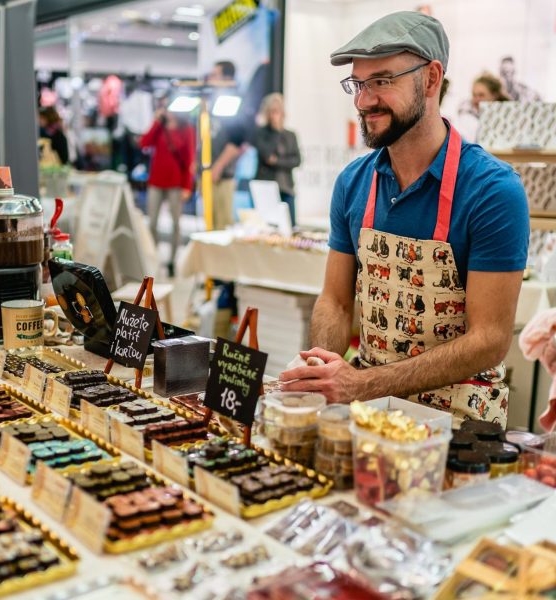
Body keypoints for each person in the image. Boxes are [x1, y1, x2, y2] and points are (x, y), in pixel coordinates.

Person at [279, 11, 529, 427]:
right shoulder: (353, 183)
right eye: (359, 84)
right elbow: (337, 301)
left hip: (461, 423)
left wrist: (362, 384)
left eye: (383, 80)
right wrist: (324, 362)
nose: (364, 100)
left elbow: (489, 340)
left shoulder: (492, 191)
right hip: (370, 412)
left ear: (431, 79)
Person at [139, 107, 196, 276]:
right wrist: (156, 122)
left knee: (176, 223)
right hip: (156, 180)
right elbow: (144, 143)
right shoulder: (160, 128)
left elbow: (189, 158)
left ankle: (172, 260)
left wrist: (187, 185)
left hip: (175, 183)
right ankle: (152, 257)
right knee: (152, 222)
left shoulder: (187, 130)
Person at [208, 61, 248, 230]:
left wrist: (218, 166)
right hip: (207, 172)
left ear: (227, 77)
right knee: (210, 222)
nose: (211, 78)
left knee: (222, 223)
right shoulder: (212, 100)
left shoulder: (234, 101)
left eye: (215, 74)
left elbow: (237, 142)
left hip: (223, 175)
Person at [253, 93, 302, 226]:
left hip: (286, 187)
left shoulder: (291, 135)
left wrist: (277, 161)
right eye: (272, 111)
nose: (276, 114)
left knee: (290, 226)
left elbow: (297, 160)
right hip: (267, 188)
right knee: (268, 227)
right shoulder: (262, 133)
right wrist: (275, 131)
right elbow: (267, 156)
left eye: (278, 110)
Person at [457, 73, 510, 141]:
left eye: (481, 95)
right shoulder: (466, 117)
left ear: (494, 95)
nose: (476, 99)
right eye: (474, 95)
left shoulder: (508, 118)